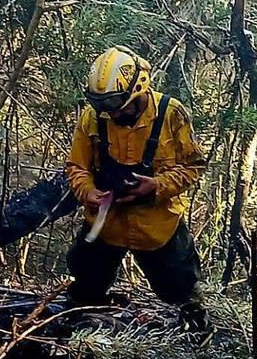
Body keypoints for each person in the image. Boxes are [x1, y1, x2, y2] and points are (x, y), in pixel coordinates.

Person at [64, 46, 209, 332]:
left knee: (182, 290)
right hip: (105, 224)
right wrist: (88, 192)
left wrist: (157, 186)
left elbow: (194, 165)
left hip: (158, 226)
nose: (112, 113)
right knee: (85, 286)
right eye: (104, 106)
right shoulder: (92, 118)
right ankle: (83, 334)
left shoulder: (171, 113)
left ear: (138, 89)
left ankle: (196, 338)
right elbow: (76, 167)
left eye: (118, 104)